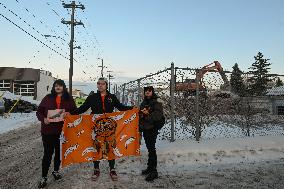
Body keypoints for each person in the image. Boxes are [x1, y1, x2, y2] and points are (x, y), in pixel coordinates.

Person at [72, 77, 133, 181]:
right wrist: (71, 114)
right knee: (96, 147)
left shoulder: (112, 97)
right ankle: (96, 169)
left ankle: (112, 169)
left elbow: (121, 107)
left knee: (110, 147)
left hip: (109, 127)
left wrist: (132, 108)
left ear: (106, 85)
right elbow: (83, 108)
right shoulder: (92, 97)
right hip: (96, 127)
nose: (100, 85)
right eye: (98, 84)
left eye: (102, 84)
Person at [36, 79, 76, 188]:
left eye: (60, 86)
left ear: (63, 87)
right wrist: (43, 119)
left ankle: (56, 171)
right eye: (56, 86)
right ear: (54, 87)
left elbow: (75, 111)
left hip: (62, 131)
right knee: (47, 154)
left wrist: (70, 113)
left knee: (59, 153)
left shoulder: (69, 99)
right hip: (48, 131)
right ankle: (44, 177)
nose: (58, 87)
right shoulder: (47, 98)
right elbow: (39, 111)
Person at [139, 86, 164, 182]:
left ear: (152, 92)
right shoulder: (144, 102)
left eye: (149, 91)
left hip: (152, 128)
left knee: (152, 149)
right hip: (146, 128)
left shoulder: (156, 102)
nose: (147, 92)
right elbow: (142, 114)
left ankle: (154, 171)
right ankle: (150, 168)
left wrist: (147, 115)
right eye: (146, 91)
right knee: (150, 148)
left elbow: (158, 115)